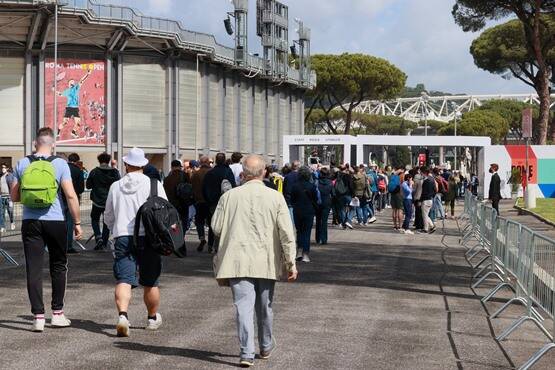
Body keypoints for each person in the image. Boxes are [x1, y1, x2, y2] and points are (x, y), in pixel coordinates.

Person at [211, 154, 298, 367]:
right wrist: (290, 262)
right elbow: (287, 233)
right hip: (266, 259)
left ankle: (246, 352)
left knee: (243, 307)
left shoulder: (229, 196)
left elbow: (216, 227)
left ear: (243, 173)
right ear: (264, 172)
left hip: (237, 259)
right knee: (265, 306)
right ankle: (265, 345)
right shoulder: (275, 197)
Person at [10, 127, 82, 332]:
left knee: (33, 268)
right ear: (53, 144)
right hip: (56, 221)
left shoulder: (23, 163)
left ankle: (38, 317)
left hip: (31, 222)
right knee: (58, 265)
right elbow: (70, 195)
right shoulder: (60, 164)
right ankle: (57, 314)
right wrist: (77, 222)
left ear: (35, 143)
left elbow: (14, 197)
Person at [104, 147, 168, 337]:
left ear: (126, 164)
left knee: (124, 279)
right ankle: (152, 318)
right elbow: (164, 211)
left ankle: (123, 316)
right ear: (144, 165)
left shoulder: (116, 186)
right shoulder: (154, 185)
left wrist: (115, 228)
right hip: (149, 237)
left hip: (123, 235)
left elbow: (108, 215)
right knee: (151, 281)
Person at [202, 153, 236, 254]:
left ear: (216, 161)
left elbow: (204, 188)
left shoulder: (210, 173)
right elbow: (233, 186)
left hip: (213, 202)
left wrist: (209, 200)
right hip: (226, 202)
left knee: (214, 223)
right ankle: (221, 247)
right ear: (225, 160)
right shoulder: (228, 172)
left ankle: (210, 245)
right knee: (225, 224)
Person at [86, 152, 120, 251]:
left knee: (94, 219)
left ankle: (98, 237)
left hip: (97, 201)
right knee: (107, 222)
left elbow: (88, 185)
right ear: (109, 161)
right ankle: (104, 243)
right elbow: (118, 184)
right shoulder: (114, 172)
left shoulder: (94, 171)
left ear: (99, 161)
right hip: (109, 201)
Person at [291, 166, 319, 263]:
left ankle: (299, 251)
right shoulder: (312, 186)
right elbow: (315, 199)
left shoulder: (295, 186)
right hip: (309, 211)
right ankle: (305, 254)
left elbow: (292, 199)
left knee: (299, 231)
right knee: (306, 233)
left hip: (297, 210)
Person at [55, 69, 91, 139]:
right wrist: (55, 91)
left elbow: (82, 80)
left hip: (75, 108)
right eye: (71, 82)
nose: (72, 83)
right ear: (68, 84)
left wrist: (88, 74)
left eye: (73, 82)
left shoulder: (76, 88)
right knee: (65, 122)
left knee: (78, 123)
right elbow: (60, 94)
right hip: (69, 108)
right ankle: (58, 132)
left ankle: (73, 132)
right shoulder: (67, 91)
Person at [191, 156, 211, 252]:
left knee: (199, 221)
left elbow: (192, 187)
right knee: (211, 223)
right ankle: (211, 245)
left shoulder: (195, 174)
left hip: (199, 201)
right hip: (210, 201)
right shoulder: (212, 172)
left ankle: (202, 238)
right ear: (208, 162)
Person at [65, 153, 84, 254]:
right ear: (77, 161)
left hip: (60, 198)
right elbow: (81, 188)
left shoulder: (63, 168)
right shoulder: (78, 171)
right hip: (73, 199)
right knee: (70, 223)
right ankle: (68, 246)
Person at [315, 167, 333, 245]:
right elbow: (333, 193)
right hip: (327, 202)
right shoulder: (330, 182)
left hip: (318, 203)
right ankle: (324, 239)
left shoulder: (317, 182)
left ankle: (318, 238)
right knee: (324, 221)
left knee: (318, 220)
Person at [420, 167, 437, 234]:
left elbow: (423, 192)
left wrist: (420, 200)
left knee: (424, 215)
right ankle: (430, 227)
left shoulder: (426, 181)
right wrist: (432, 196)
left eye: (421, 172)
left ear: (424, 173)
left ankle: (427, 228)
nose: (421, 174)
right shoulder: (432, 180)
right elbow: (435, 190)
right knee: (426, 215)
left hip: (425, 200)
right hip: (430, 199)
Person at [0, 164, 16, 233]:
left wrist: (12, 196)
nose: (2, 169)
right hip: (2, 196)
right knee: (1, 213)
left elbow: (12, 186)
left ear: (7, 168)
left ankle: (12, 222)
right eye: (2, 168)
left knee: (10, 211)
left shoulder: (10, 175)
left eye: (4, 168)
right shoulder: (0, 176)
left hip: (9, 197)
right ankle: (2, 227)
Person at [412, 167, 424, 232]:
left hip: (417, 196)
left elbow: (414, 188)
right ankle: (420, 224)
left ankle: (418, 225)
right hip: (423, 197)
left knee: (418, 211)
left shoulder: (416, 177)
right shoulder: (425, 178)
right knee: (420, 212)